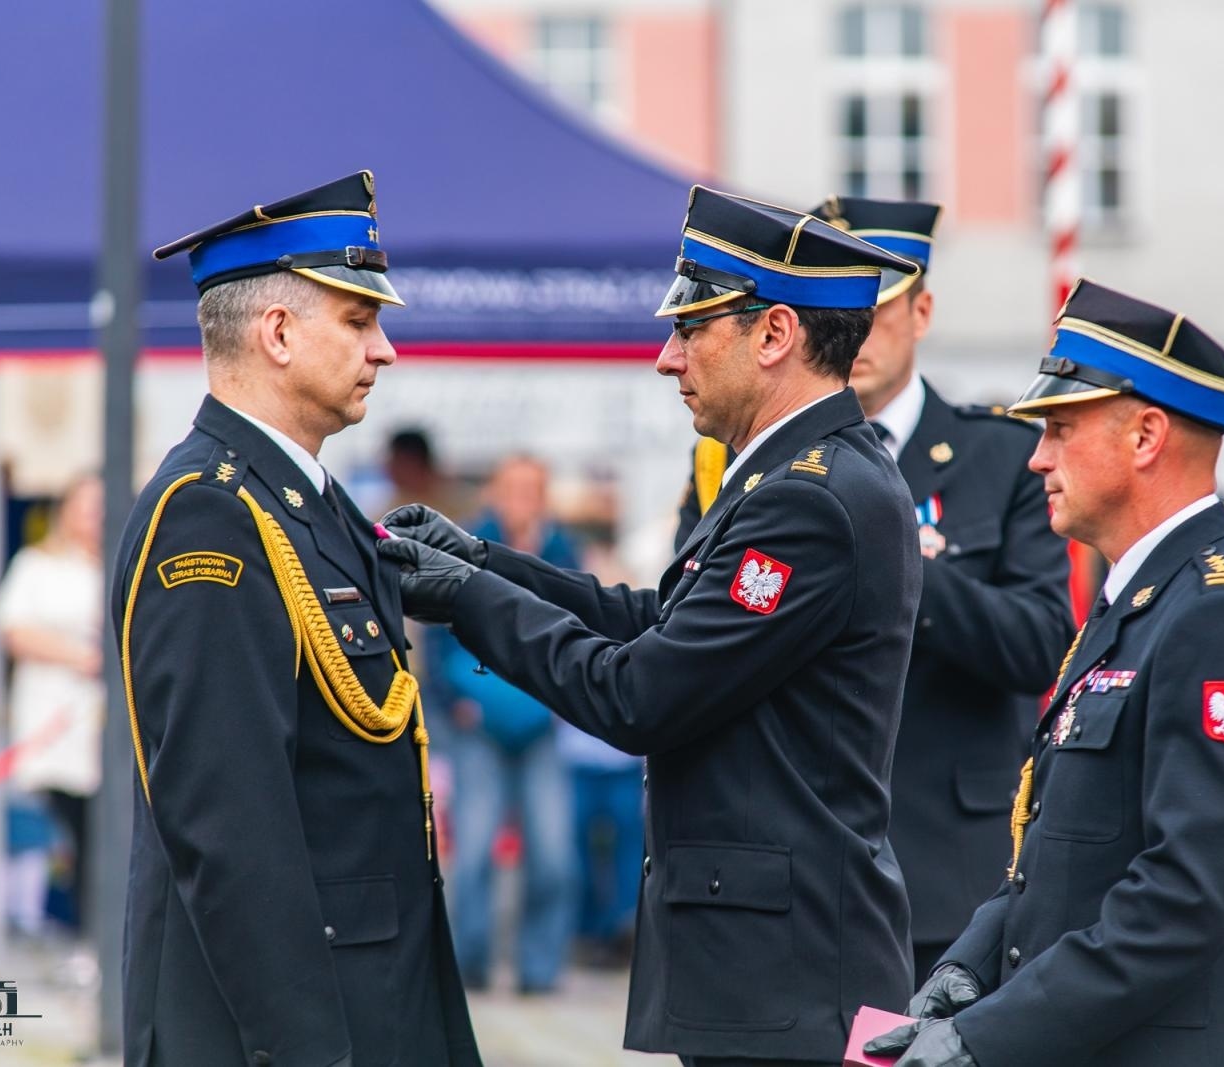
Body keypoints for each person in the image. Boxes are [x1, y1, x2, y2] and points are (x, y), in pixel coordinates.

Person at [379, 185, 924, 1067]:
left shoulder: (811, 498)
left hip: (785, 975)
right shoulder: (789, 475)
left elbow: (640, 690)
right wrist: (482, 562)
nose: (669, 359)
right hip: (771, 964)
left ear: (775, 334)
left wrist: (466, 598)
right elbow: (658, 621)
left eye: (692, 329)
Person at [866, 279, 1224, 1067]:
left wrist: (985, 1037)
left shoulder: (1222, 616)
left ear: (1146, 436)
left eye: (1061, 429)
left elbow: (1185, 897)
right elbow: (1057, 851)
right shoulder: (1138, 601)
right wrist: (965, 968)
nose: (1036, 455)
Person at [112, 172, 480, 1066]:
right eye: (358, 322)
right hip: (280, 1027)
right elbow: (232, 828)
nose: (383, 349)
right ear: (277, 332)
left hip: (376, 996)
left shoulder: (309, 502)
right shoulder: (210, 515)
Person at [675, 195, 1073, 980]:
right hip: (801, 855)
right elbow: (691, 623)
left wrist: (892, 563)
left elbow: (1037, 646)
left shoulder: (1001, 457)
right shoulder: (742, 458)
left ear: (920, 311)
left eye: (874, 306)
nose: (851, 327)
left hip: (949, 867)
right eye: (830, 305)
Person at [428, 454, 579, 993]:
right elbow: (434, 626)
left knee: (555, 853)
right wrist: (451, 702)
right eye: (511, 486)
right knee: (473, 852)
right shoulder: (468, 543)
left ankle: (539, 970)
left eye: (530, 487)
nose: (520, 497)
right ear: (494, 490)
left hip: (542, 725)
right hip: (478, 726)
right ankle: (469, 965)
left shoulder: (562, 549)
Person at [0, 473, 104, 932]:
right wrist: (80, 656)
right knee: (69, 831)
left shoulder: (114, 563)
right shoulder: (38, 565)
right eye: (86, 507)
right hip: (55, 718)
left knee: (99, 834)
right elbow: (12, 631)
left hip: (100, 726)